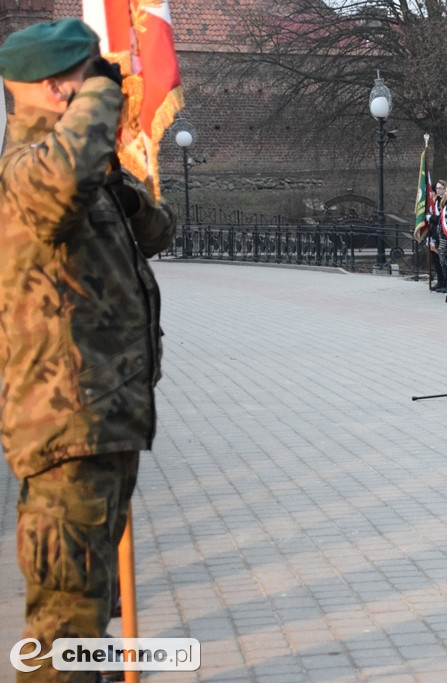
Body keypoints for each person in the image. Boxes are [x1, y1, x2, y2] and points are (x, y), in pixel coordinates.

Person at [0, 18, 176, 682]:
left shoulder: (80, 175)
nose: (108, 92)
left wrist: (122, 183)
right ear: (54, 88)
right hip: (64, 432)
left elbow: (161, 232)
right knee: (62, 633)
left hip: (102, 424)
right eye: (89, 80)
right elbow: (57, 186)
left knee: (88, 612)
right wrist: (101, 96)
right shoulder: (24, 175)